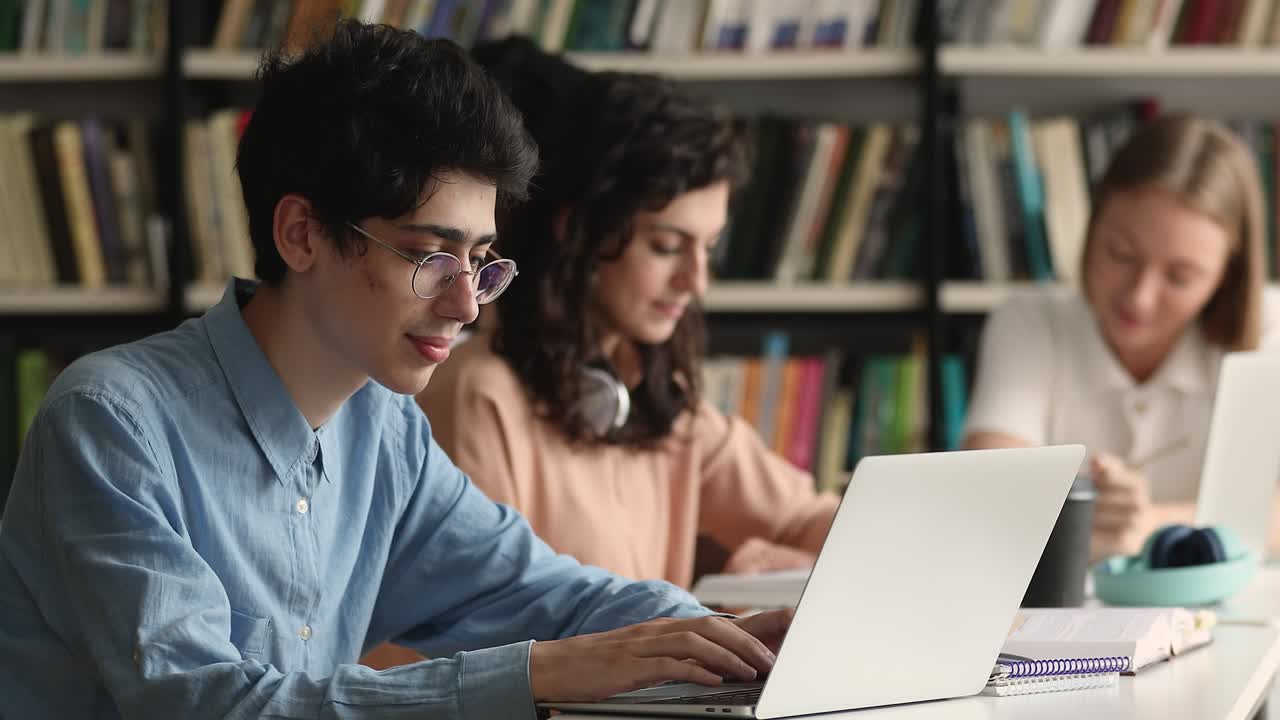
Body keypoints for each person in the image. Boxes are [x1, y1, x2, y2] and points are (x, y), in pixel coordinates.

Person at [0, 21, 793, 718]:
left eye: (480, 261)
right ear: (302, 234)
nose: (465, 305)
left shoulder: (382, 430)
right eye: (426, 256)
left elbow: (545, 592)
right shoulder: (110, 421)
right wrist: (541, 673)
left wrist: (728, 639)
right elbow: (202, 703)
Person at [417, 38, 839, 591]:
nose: (696, 281)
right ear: (579, 231)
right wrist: (697, 623)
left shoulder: (662, 402)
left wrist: (801, 564)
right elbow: (496, 631)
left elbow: (804, 517)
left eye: (707, 247)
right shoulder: (480, 395)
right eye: (667, 246)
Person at [964, 114, 1280, 560]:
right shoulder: (1030, 322)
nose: (1140, 298)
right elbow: (987, 495)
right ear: (1092, 224)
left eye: (1180, 277)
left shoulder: (1270, 326)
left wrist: (1152, 523)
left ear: (1226, 276)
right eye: (1122, 254)